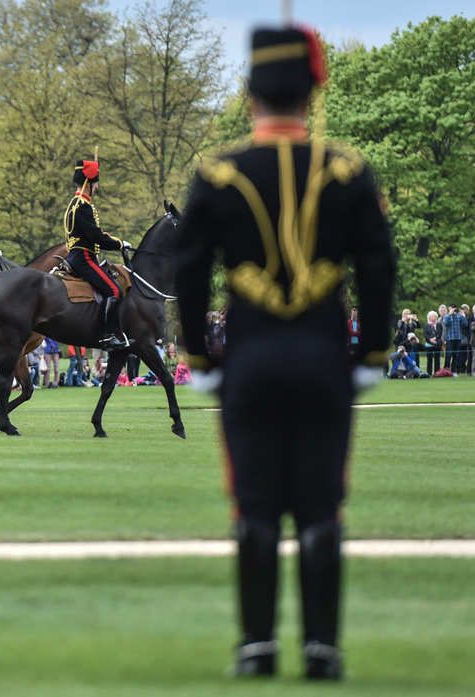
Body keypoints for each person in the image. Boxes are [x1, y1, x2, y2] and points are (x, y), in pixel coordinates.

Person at [173, 25, 395, 680]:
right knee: (323, 505)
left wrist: (201, 357)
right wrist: (373, 351)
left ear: (250, 97)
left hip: (250, 360)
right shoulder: (349, 170)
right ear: (311, 92)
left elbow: (189, 272)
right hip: (326, 358)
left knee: (257, 504)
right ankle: (323, 647)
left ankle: (257, 646)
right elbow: (378, 267)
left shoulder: (217, 174)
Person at [64, 157, 133, 350]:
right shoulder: (82, 206)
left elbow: (91, 232)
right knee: (115, 290)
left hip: (81, 255)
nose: (97, 188)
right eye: (95, 183)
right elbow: (95, 236)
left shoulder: (75, 203)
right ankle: (107, 335)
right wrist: (119, 244)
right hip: (83, 257)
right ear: (88, 183)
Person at [441, 303, 467, 374]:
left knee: (456, 355)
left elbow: (465, 324)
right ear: (449, 308)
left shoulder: (459, 316)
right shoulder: (447, 316)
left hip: (458, 338)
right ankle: (446, 370)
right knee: (448, 355)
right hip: (450, 338)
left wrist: (463, 316)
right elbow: (445, 323)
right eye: (452, 308)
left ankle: (453, 370)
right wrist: (450, 314)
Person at [422, 310, 442, 375]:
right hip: (429, 344)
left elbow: (440, 333)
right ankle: (429, 373)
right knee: (429, 359)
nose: (434, 318)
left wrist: (435, 338)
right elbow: (425, 334)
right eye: (432, 316)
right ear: (429, 317)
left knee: (437, 359)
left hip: (437, 344)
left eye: (435, 316)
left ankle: (437, 372)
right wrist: (430, 339)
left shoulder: (438, 324)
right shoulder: (426, 325)